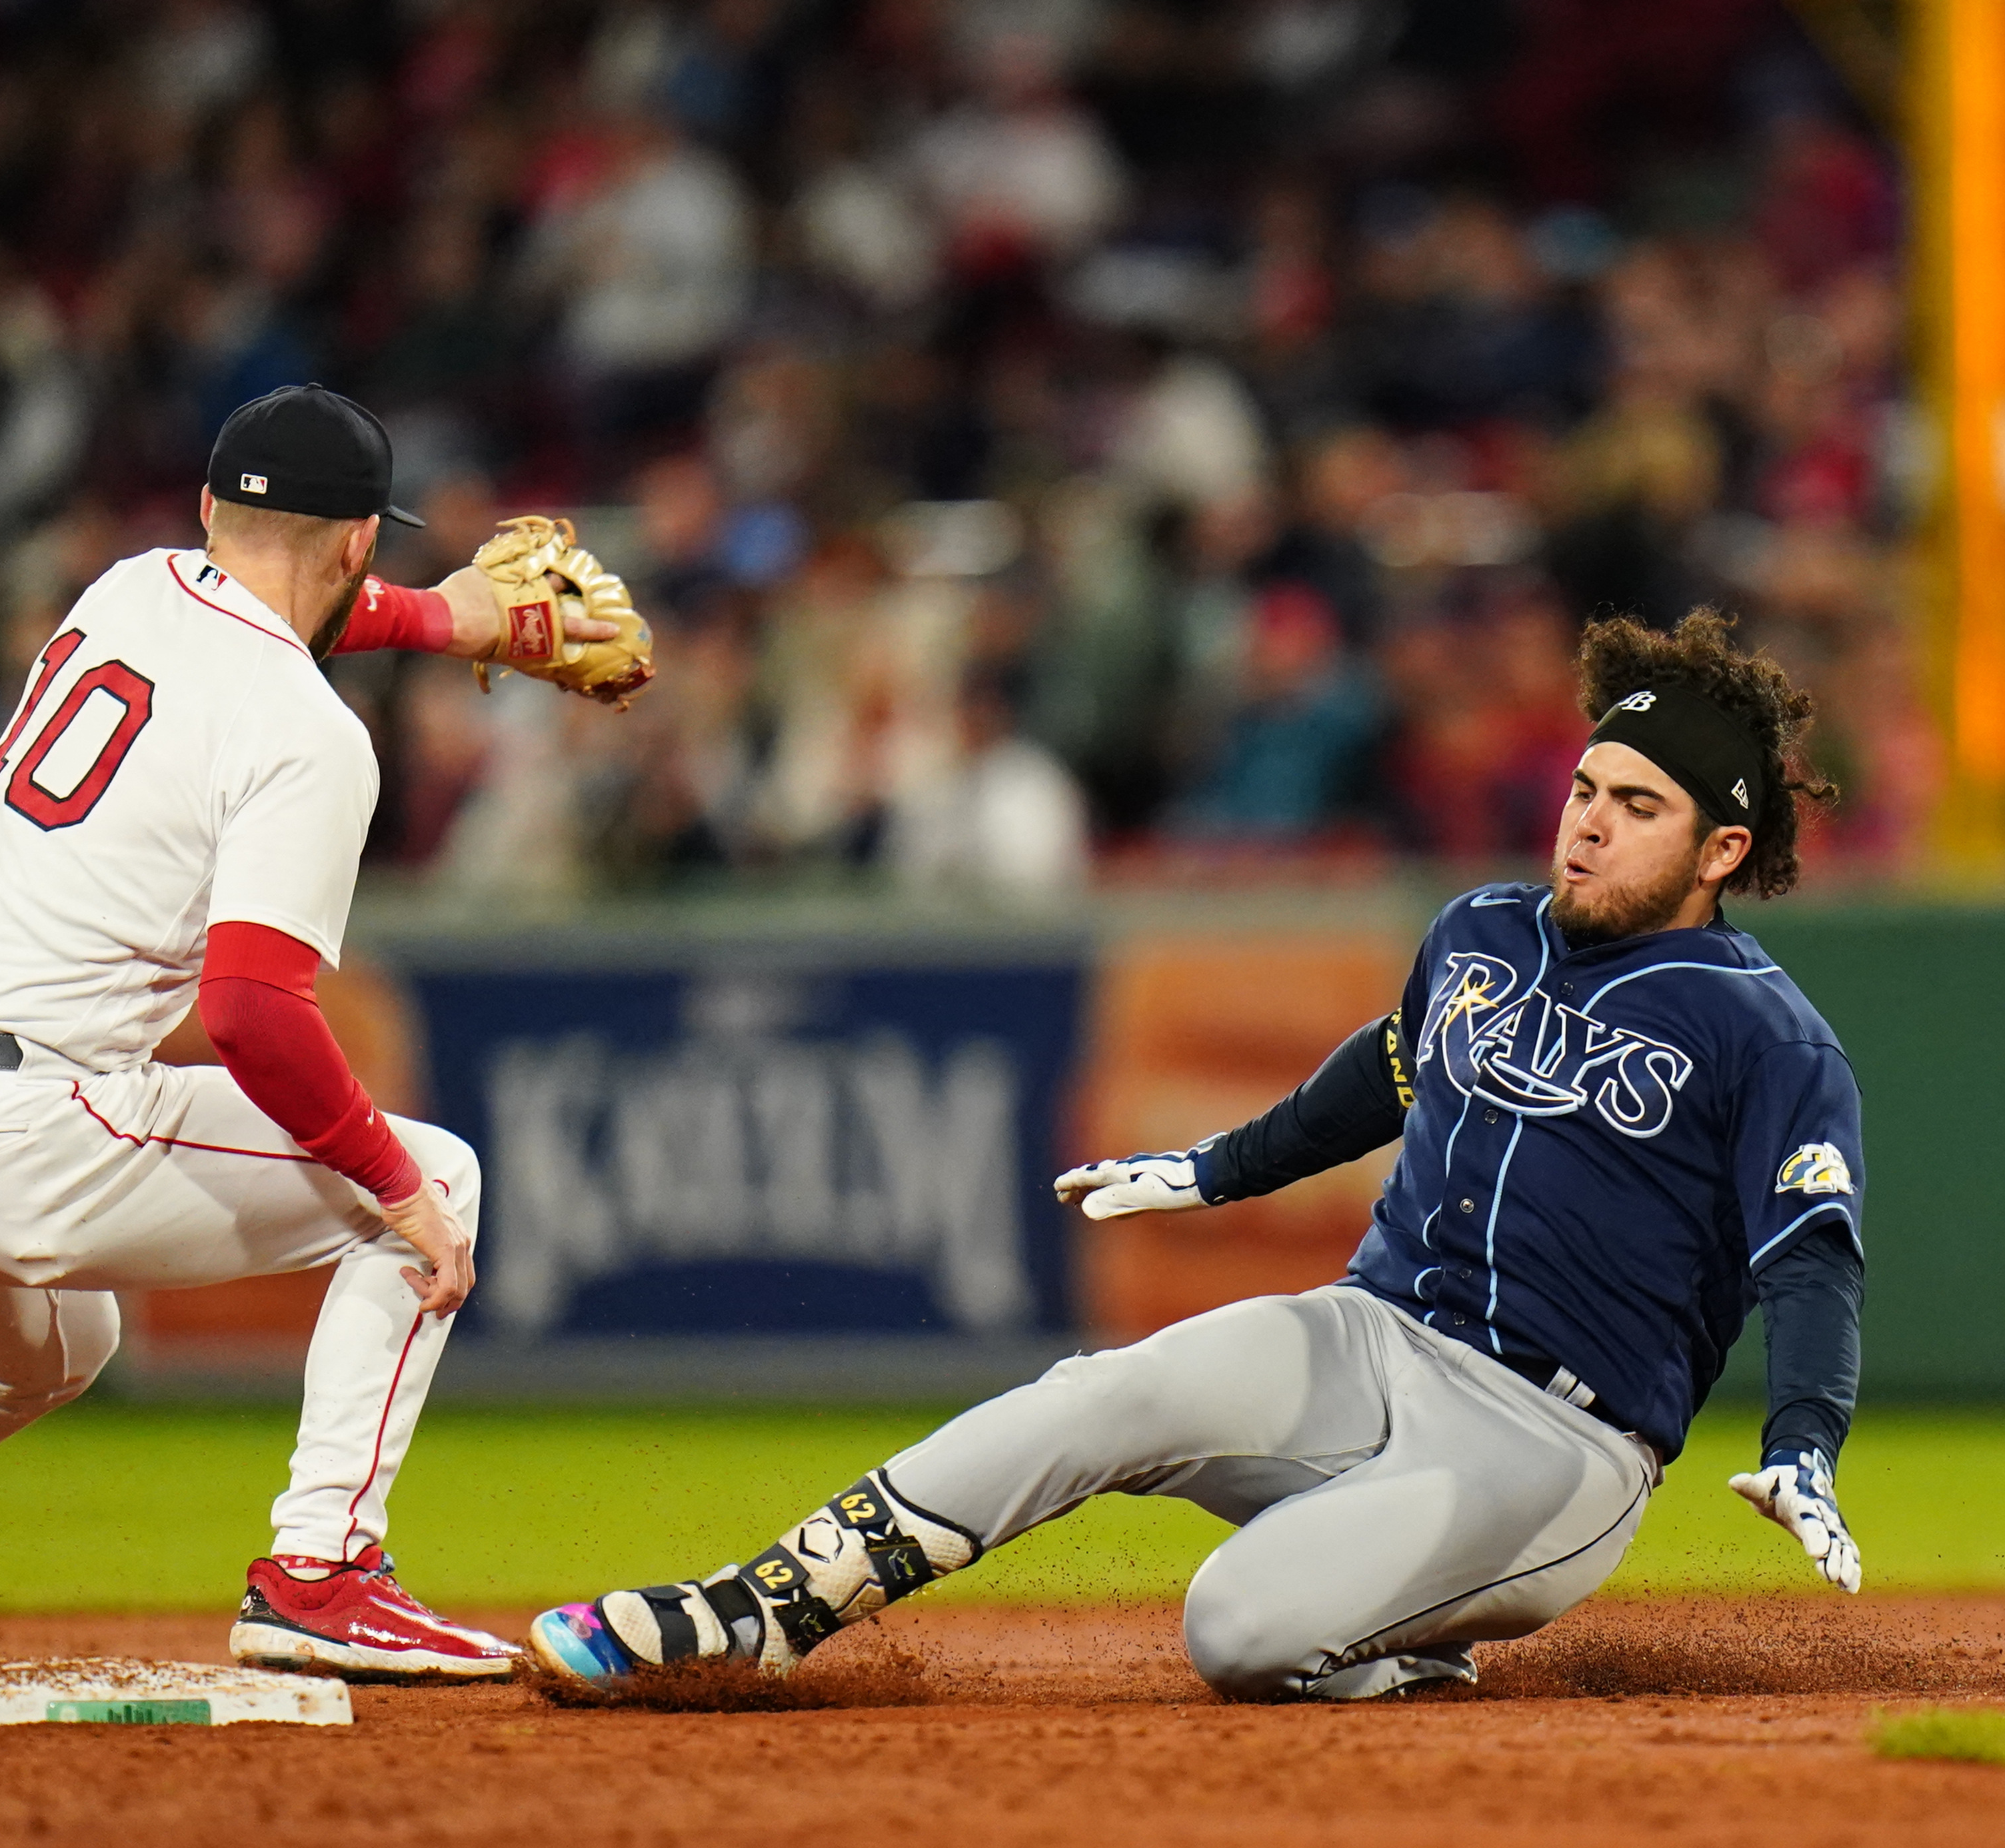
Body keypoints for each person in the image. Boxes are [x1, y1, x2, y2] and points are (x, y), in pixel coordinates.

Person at [531, 608, 1868, 1701]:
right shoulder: (1482, 928)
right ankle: (763, 1605)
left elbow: (1809, 1259)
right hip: (1372, 1335)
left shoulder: (1763, 1033)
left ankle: (1392, 1631)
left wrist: (1803, 1436)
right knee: (1092, 1397)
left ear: (1720, 848)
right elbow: (1388, 1068)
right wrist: (1213, 1168)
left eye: (1635, 805)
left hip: (1556, 1442)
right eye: (1584, 786)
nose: (1585, 820)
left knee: (1234, 1630)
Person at [0, 385, 618, 1689]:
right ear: (356, 543)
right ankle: (322, 1573)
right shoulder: (313, 737)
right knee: (436, 1177)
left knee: (55, 1343)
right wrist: (391, 1195)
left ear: (213, 509)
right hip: (12, 1133)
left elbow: (277, 617)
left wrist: (452, 616)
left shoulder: (130, 583)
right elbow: (252, 1013)